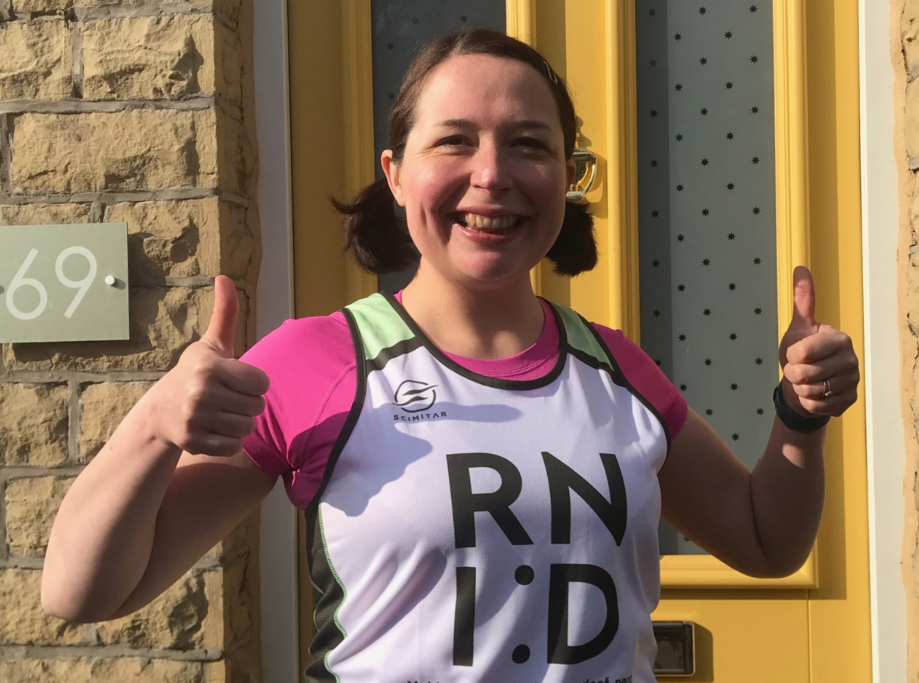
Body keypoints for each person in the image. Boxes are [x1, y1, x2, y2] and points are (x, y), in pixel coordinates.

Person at [42, 29, 860, 682]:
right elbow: (80, 591)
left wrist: (799, 417)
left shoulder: (617, 368)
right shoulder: (316, 360)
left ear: (566, 177)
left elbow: (765, 542)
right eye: (455, 142)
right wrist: (153, 424)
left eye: (529, 145)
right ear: (396, 176)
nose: (493, 175)